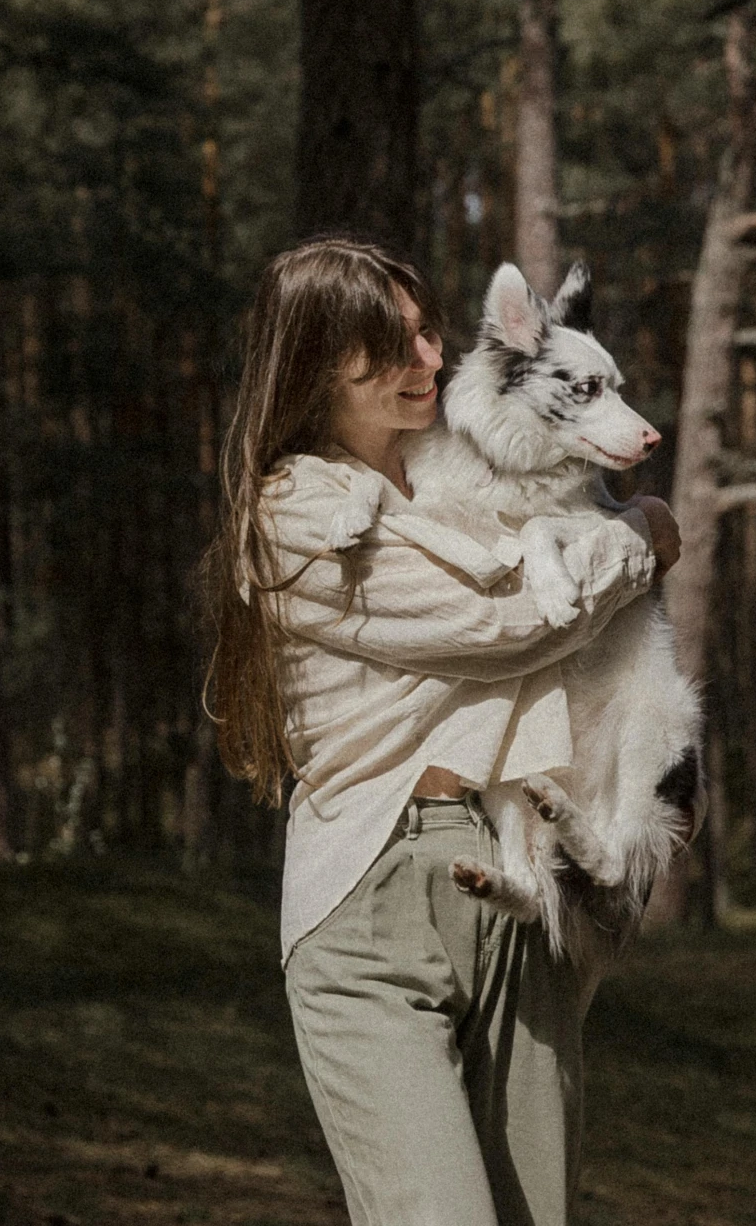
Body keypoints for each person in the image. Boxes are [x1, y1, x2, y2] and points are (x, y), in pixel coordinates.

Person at [203, 235, 680, 1226]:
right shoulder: (295, 510)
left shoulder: (475, 470)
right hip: (371, 894)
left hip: (519, 881)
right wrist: (639, 539)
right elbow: (505, 629)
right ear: (325, 359)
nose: (432, 357)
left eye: (428, 330)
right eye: (398, 340)